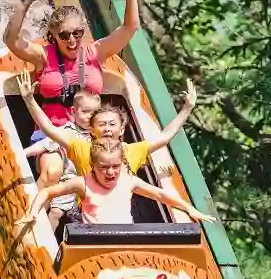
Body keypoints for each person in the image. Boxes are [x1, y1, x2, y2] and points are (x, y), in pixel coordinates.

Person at [3, 0, 139, 143]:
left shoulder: (95, 53)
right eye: (65, 35)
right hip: (53, 136)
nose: (72, 40)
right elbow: (11, 40)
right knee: (52, 171)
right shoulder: (43, 56)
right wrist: (24, 3)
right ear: (54, 35)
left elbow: (129, 28)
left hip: (90, 137)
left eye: (77, 33)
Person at [17, 69, 198, 176]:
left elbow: (165, 137)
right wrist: (29, 100)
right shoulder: (83, 148)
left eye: (112, 125)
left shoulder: (129, 151)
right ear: (93, 130)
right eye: (102, 125)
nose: (107, 129)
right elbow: (50, 130)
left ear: (121, 130)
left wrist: (187, 109)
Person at [20, 139, 215, 226]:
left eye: (115, 166)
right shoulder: (83, 183)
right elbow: (47, 193)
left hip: (124, 239)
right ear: (93, 165)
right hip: (94, 243)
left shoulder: (128, 181)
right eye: (104, 167)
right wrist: (33, 212)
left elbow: (160, 194)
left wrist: (189, 208)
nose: (111, 172)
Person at [23, 90, 99, 230]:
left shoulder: (98, 134)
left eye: (94, 113)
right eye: (85, 112)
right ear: (73, 111)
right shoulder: (69, 130)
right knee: (56, 212)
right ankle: (45, 233)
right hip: (69, 180)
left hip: (89, 184)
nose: (90, 117)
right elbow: (47, 142)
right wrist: (24, 153)